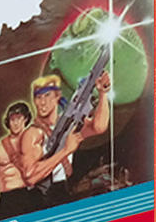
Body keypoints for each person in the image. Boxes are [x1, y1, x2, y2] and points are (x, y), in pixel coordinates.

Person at [25, 72, 111, 204]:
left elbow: (99, 127)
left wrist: (102, 94)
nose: (42, 102)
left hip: (60, 191)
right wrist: (66, 150)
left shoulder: (68, 123)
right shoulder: (31, 133)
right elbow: (31, 177)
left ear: (57, 96)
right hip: (36, 197)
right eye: (38, 97)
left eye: (47, 95)